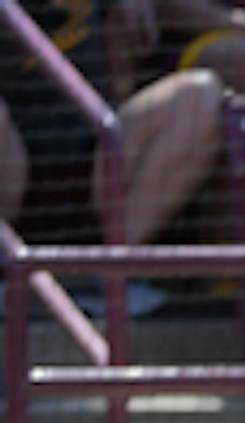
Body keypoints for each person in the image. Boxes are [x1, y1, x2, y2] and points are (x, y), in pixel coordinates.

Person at [0, 0, 223, 248]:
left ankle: (113, 266)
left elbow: (122, 84)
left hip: (98, 155)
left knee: (200, 95)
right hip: (14, 167)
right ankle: (7, 262)